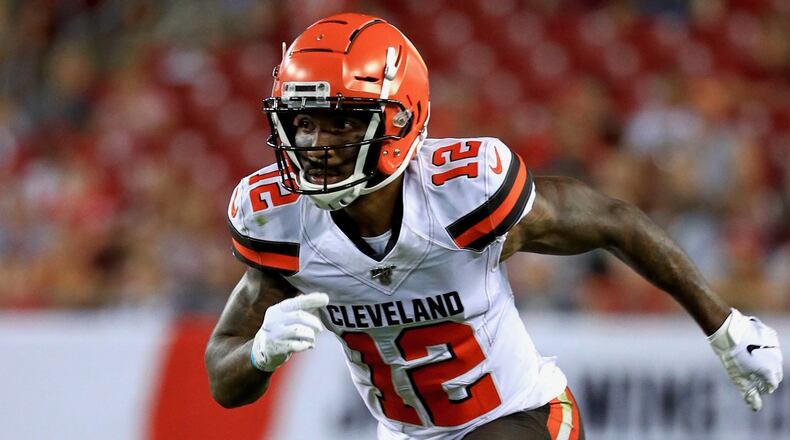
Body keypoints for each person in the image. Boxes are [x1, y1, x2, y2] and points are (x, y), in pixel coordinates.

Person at [204, 13, 783, 440]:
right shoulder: (278, 223)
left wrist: (723, 325)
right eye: (303, 124)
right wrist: (259, 352)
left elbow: (615, 221)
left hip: (521, 416)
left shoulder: (460, 193)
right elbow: (223, 377)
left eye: (340, 123)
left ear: (400, 119)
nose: (316, 145)